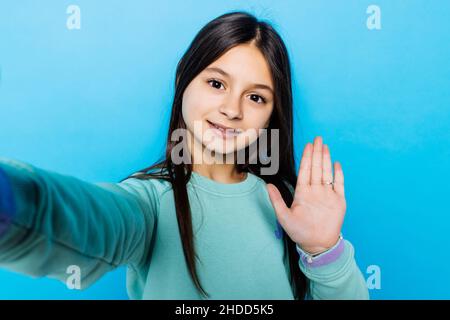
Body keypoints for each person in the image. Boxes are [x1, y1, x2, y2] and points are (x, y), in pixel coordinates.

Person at [0, 11, 369, 300]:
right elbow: (84, 220)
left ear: (272, 112)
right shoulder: (149, 201)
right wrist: (12, 200)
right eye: (216, 83)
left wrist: (323, 249)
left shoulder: (287, 203)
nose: (231, 109)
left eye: (256, 97)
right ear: (184, 81)